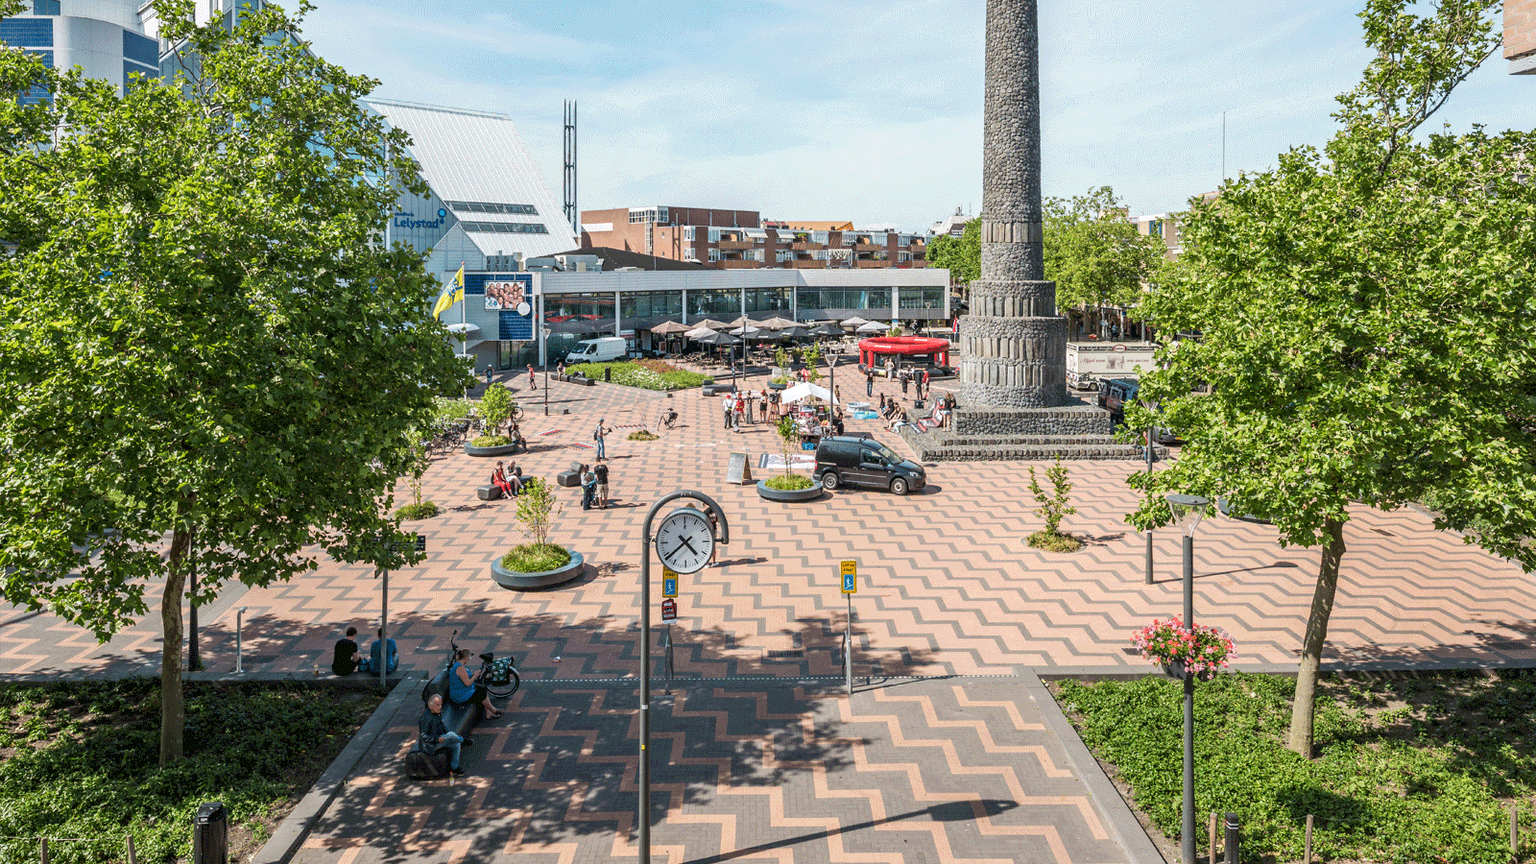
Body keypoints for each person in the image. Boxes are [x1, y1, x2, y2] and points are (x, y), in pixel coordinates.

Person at [419, 693, 466, 776]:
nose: (440, 706)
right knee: (451, 735)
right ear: (431, 706)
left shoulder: (436, 712)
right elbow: (423, 736)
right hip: (430, 745)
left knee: (456, 744)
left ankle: (454, 768)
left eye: (441, 704)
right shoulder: (426, 718)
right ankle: (463, 740)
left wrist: (446, 735)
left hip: (439, 739)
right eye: (437, 705)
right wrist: (437, 739)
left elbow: (442, 726)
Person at [449, 647, 503, 718]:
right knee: (481, 694)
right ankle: (493, 710)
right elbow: (467, 683)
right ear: (465, 658)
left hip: (462, 690)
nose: (469, 660)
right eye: (469, 658)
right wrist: (475, 675)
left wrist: (474, 674)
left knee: (482, 689)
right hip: (459, 695)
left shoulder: (459, 665)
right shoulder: (460, 668)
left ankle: (488, 713)